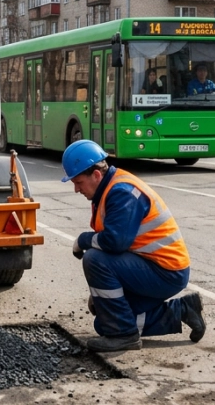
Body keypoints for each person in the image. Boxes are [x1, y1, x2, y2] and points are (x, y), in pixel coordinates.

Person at [61, 140, 205, 352]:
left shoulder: (122, 192)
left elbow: (115, 242)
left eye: (78, 182)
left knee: (94, 259)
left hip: (165, 272)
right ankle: (183, 310)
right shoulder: (108, 188)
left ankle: (124, 335)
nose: (76, 189)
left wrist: (82, 240)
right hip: (151, 266)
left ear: (96, 175)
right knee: (104, 322)